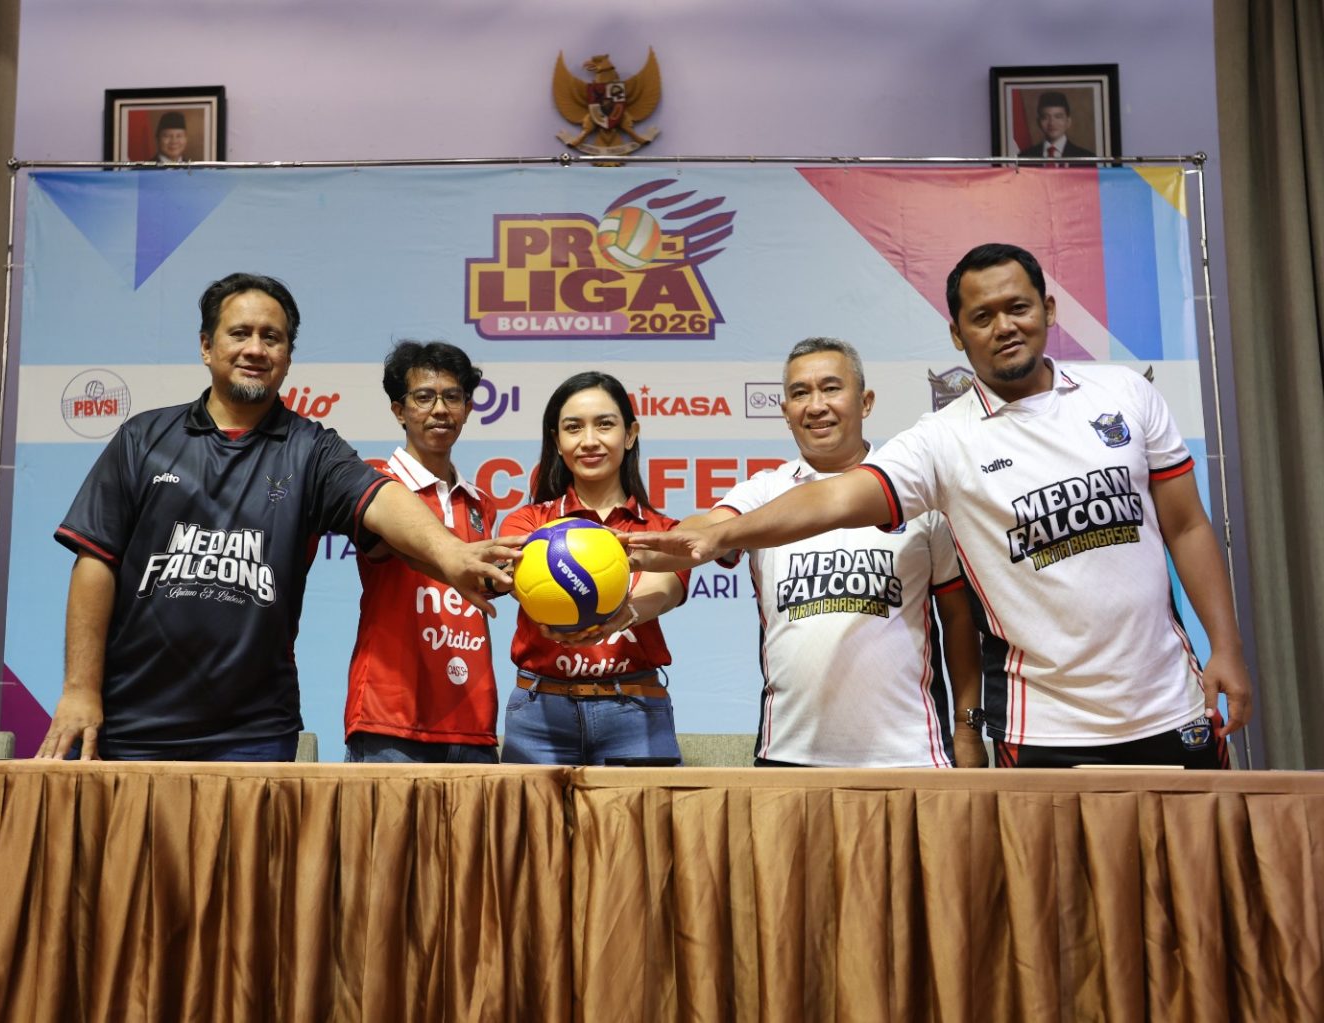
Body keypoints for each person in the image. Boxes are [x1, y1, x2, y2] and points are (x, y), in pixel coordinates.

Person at [630, 243, 1251, 769]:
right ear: (958, 334)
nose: (1004, 327)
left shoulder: (1125, 394)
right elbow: (837, 494)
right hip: (1043, 727)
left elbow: (1187, 526)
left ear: (1048, 309)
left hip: (1173, 705)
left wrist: (1225, 646)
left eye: (1018, 307)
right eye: (982, 316)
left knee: (1200, 878)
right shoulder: (939, 441)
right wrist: (716, 535)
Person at [37, 273, 517, 761]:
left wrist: (450, 552)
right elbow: (96, 562)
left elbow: (380, 497)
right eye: (239, 333)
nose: (255, 349)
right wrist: (79, 690)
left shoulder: (311, 449)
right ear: (206, 346)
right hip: (129, 727)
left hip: (254, 736)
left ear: (287, 356)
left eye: (272, 337)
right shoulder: (143, 438)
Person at [691, 337, 984, 768]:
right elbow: (703, 530)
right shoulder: (763, 492)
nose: (816, 406)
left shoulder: (916, 492)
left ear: (865, 402)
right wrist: (653, 543)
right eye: (800, 393)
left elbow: (959, 620)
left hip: (912, 757)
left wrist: (967, 728)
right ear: (785, 411)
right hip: (788, 758)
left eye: (831, 388)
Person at [497, 371, 688, 765]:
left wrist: (623, 614)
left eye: (604, 424)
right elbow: (523, 586)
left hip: (635, 711)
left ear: (630, 434)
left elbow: (666, 590)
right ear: (556, 441)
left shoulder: (662, 531)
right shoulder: (528, 523)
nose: (589, 440)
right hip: (539, 711)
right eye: (573, 428)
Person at [343, 341, 501, 763]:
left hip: (472, 718)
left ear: (468, 408)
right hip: (390, 719)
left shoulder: (481, 503)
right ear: (399, 410)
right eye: (424, 397)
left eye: (453, 397)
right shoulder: (374, 485)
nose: (440, 410)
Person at [1018, 91, 1095, 160]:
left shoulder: (1086, 158)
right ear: (1038, 122)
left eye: (1058, 117)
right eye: (1045, 117)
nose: (1052, 123)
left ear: (1068, 122)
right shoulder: (1024, 157)